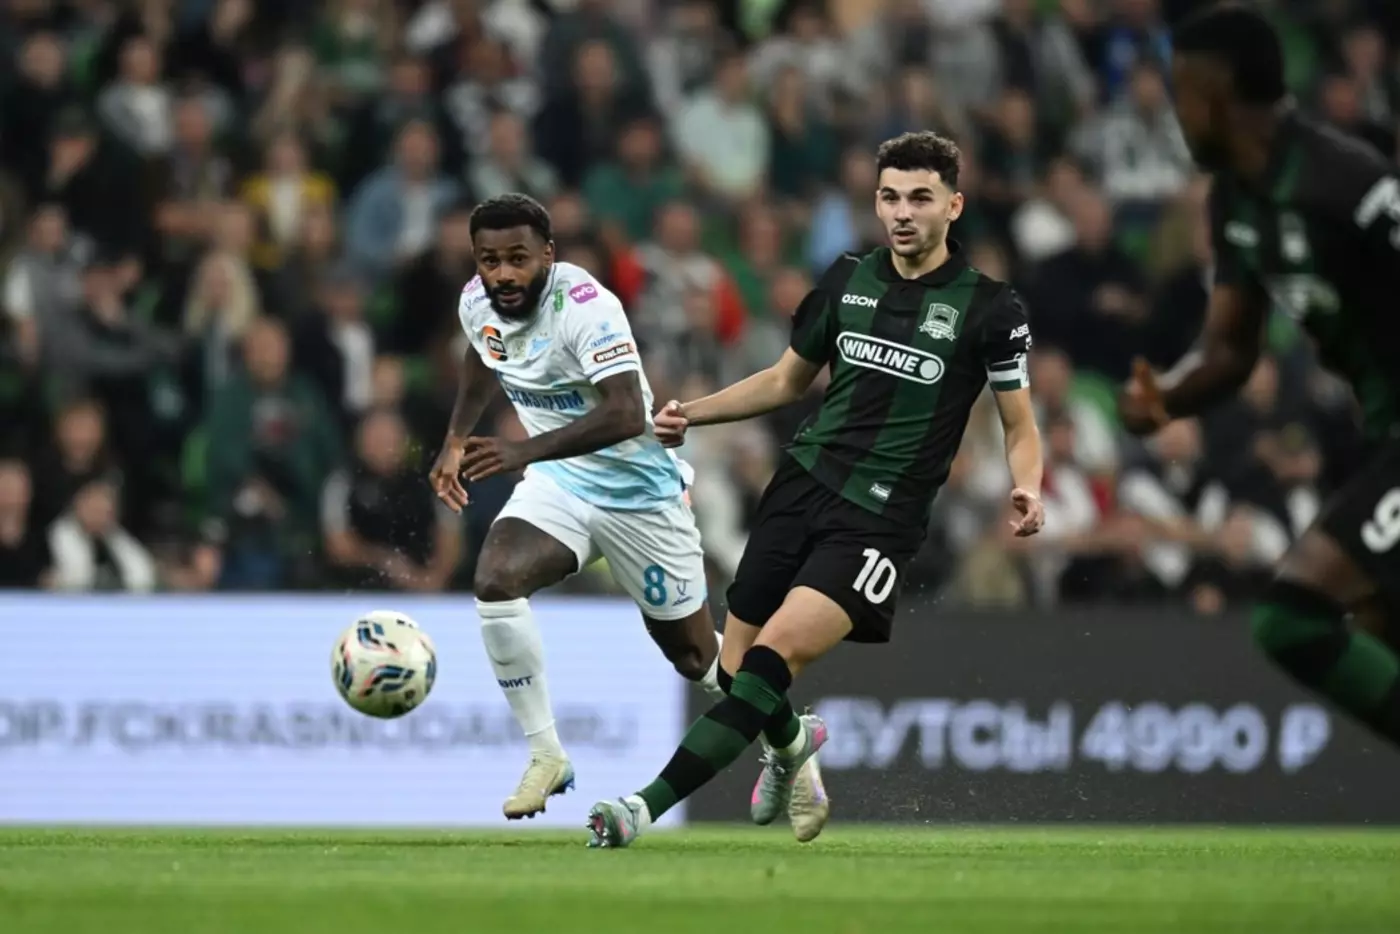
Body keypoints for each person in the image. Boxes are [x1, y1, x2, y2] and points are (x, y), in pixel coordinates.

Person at [586, 131, 1046, 848]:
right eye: (889, 197)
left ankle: (637, 809)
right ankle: (793, 742)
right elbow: (783, 381)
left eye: (920, 198)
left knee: (769, 663)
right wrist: (691, 413)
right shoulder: (846, 278)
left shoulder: (991, 308)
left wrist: (1028, 486)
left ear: (953, 206)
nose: (902, 212)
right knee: (733, 675)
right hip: (800, 485)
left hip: (879, 521)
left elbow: (1019, 423)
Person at [1119, 5, 1400, 749]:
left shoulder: (1347, 184)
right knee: (1379, 629)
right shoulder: (1235, 201)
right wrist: (1166, 399)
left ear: (1217, 95)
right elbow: (1231, 351)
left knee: (1293, 615)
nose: (1177, 114)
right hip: (1381, 436)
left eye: (1182, 94)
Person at [428, 194, 735, 820]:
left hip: (639, 496)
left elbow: (625, 412)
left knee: (696, 659)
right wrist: (456, 439)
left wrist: (522, 450)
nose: (503, 274)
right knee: (495, 580)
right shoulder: (476, 301)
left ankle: (790, 735)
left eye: (517, 258)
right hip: (561, 482)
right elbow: (483, 352)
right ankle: (546, 754)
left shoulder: (586, 307)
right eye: (489, 260)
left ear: (547, 254)